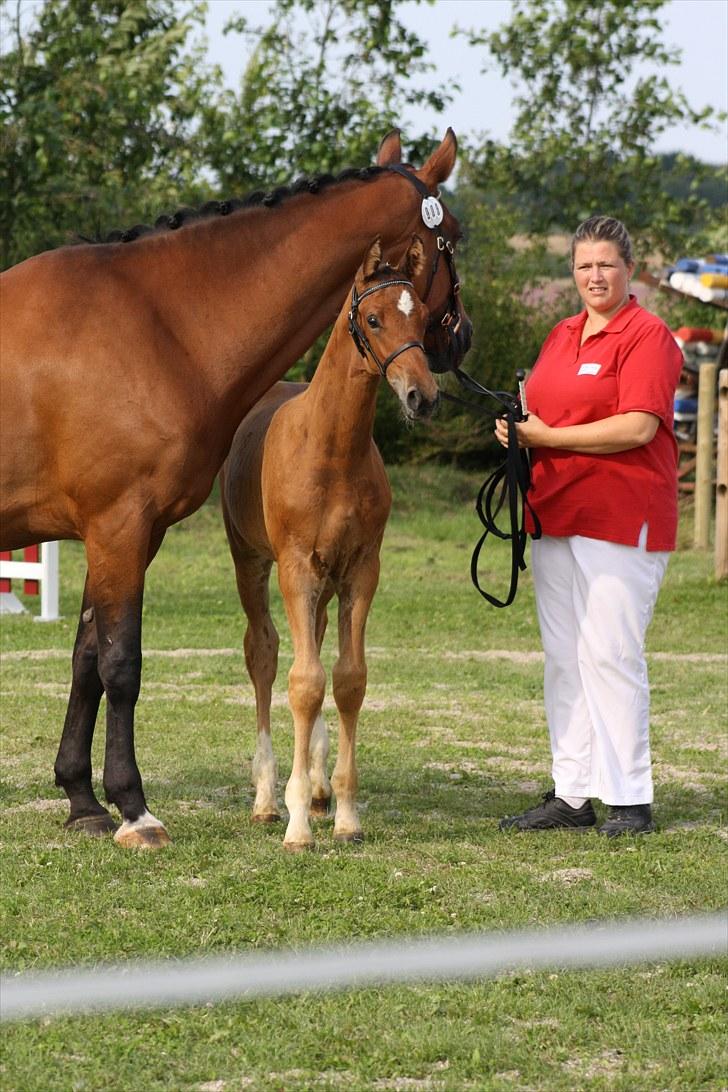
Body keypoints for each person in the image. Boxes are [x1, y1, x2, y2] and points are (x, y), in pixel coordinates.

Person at [496, 215, 683, 837]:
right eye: (583, 265)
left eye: (605, 264)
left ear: (629, 269)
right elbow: (542, 410)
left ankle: (631, 799)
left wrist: (546, 435)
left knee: (611, 653)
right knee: (565, 658)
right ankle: (573, 793)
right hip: (556, 513)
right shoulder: (562, 333)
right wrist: (516, 427)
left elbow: (638, 427)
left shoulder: (648, 336)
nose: (594, 275)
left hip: (621, 515)